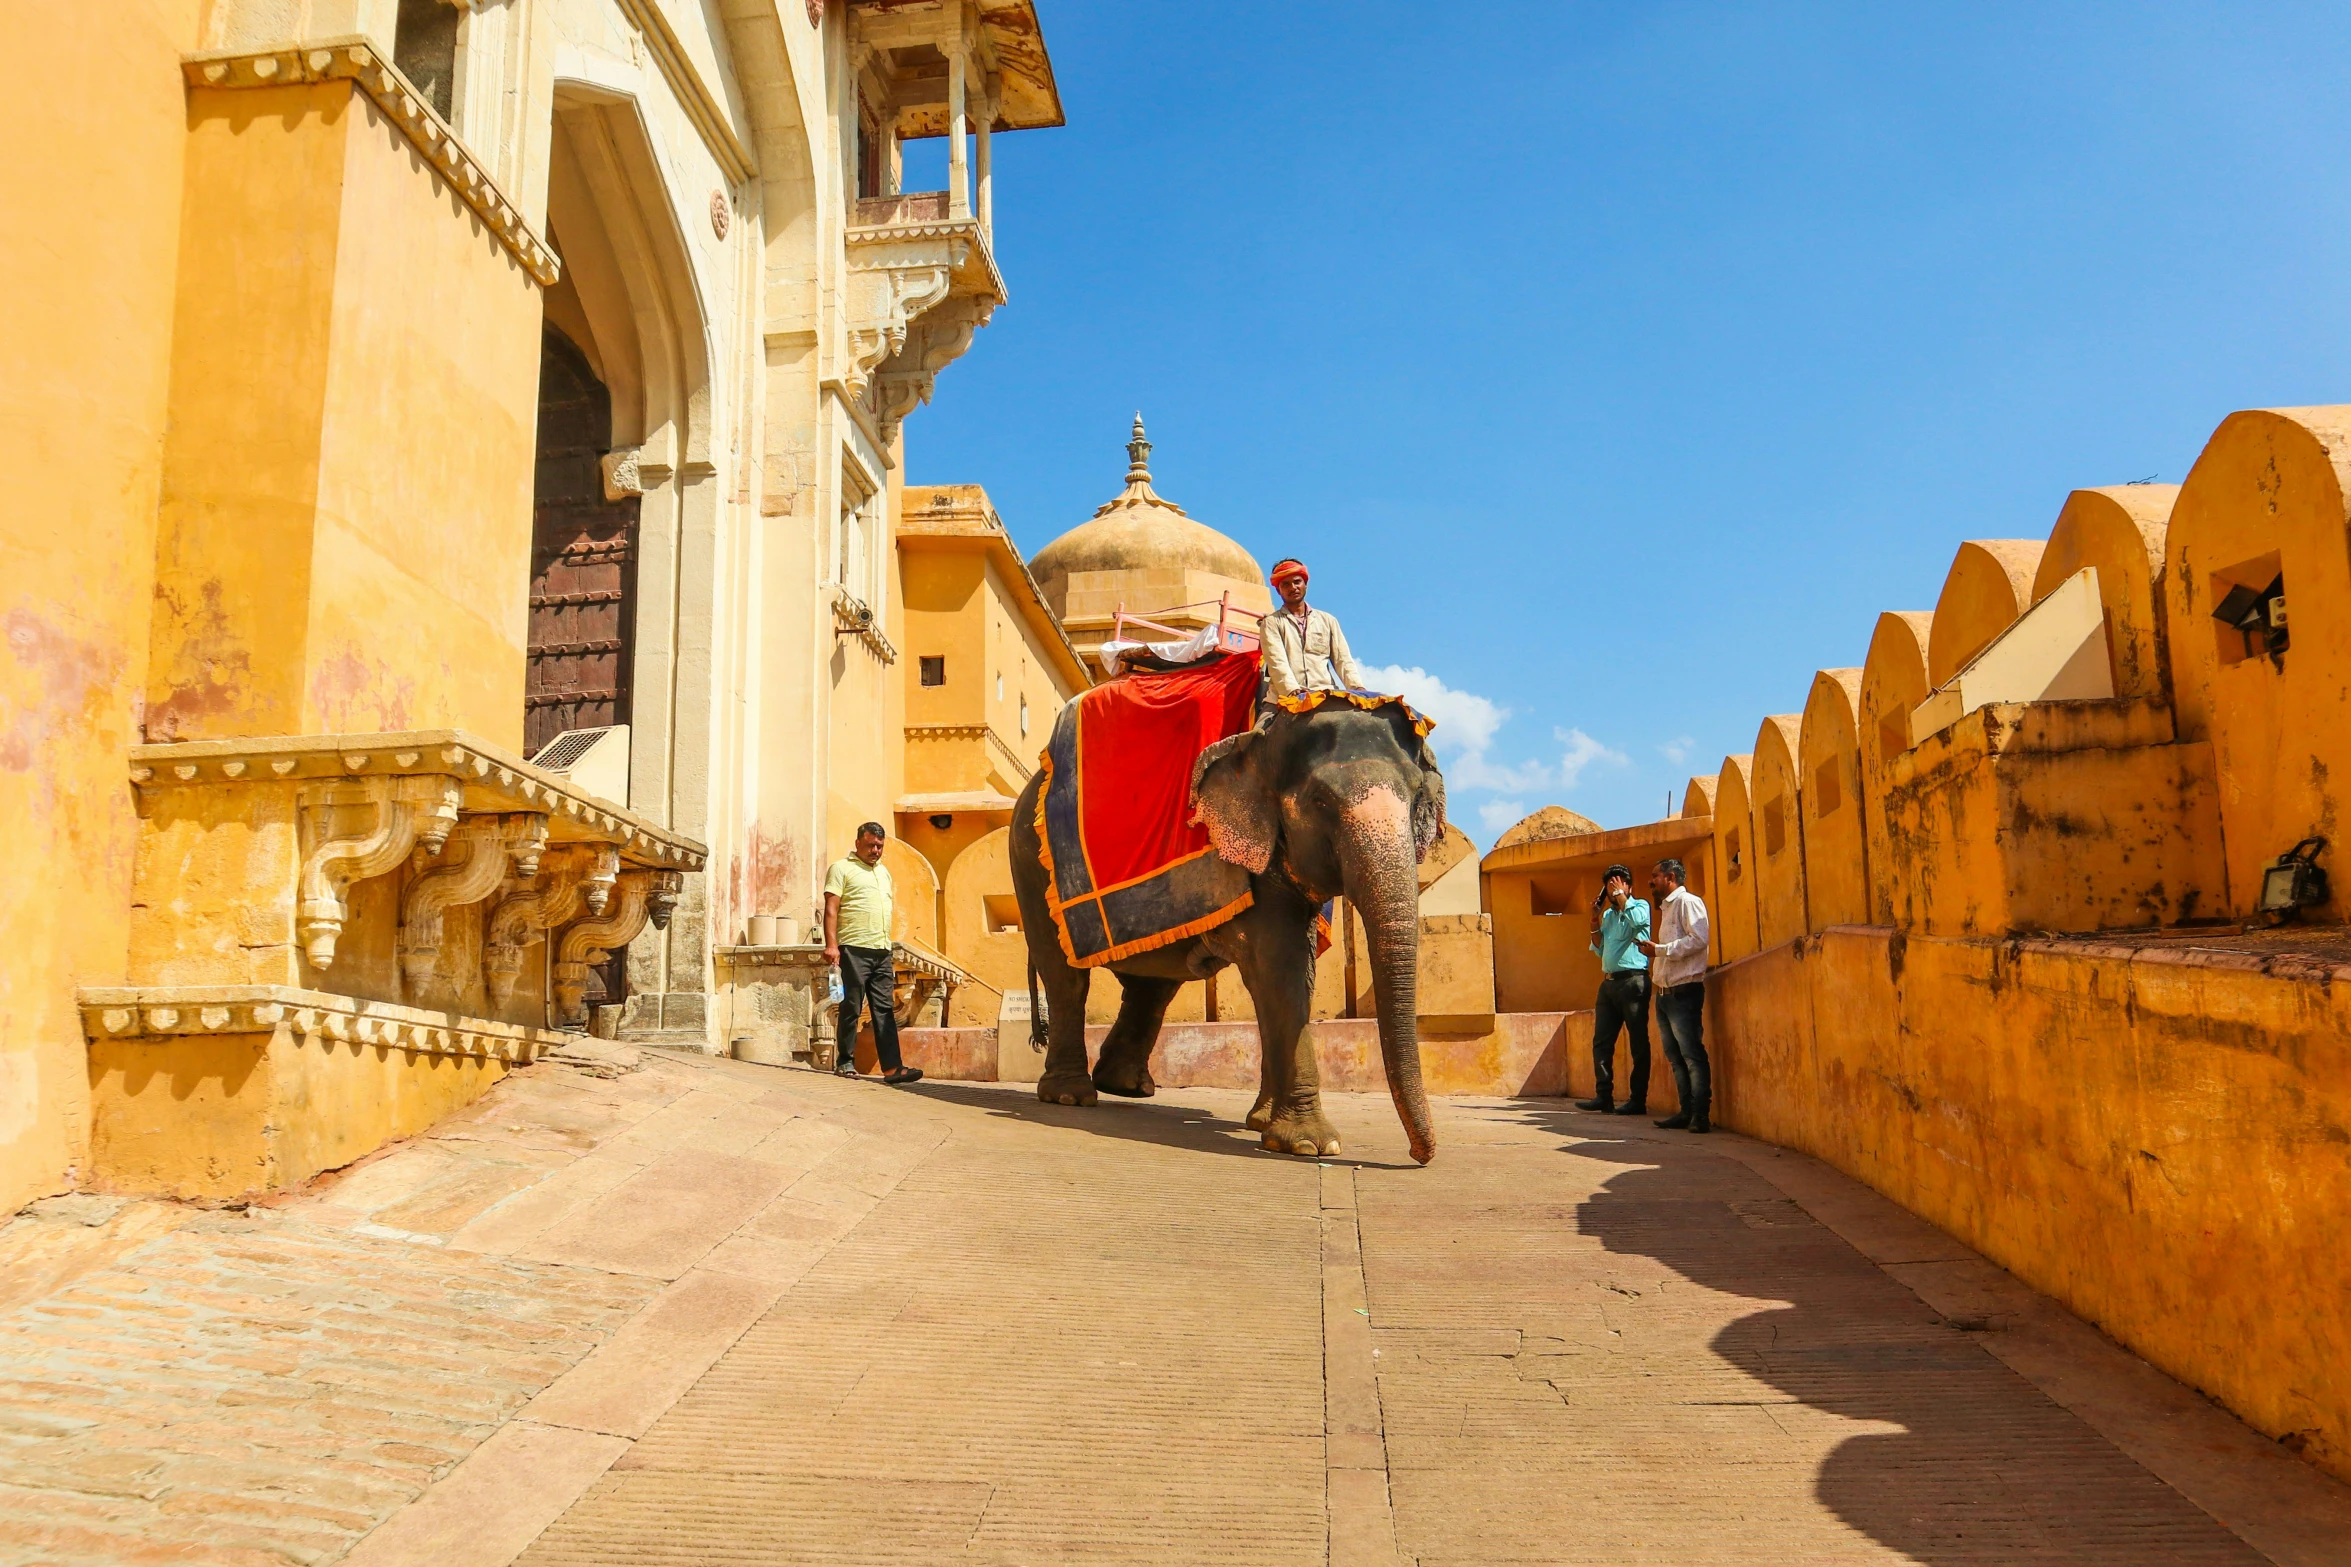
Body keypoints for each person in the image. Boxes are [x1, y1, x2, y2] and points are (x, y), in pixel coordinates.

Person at [822, 822, 924, 1086]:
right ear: (858, 843)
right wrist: (832, 945)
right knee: (851, 1007)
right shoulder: (841, 868)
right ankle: (844, 1062)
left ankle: (892, 1069)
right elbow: (831, 909)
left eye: (879, 846)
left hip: (881, 950)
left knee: (884, 1010)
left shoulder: (884, 873)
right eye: (870, 845)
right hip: (853, 949)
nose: (875, 850)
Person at [1638, 858, 1712, 1133]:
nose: (1651, 881)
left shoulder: (1688, 902)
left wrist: (1660, 950)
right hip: (1665, 993)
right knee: (1676, 1056)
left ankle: (1700, 1116)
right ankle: (1686, 1112)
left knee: (1692, 1055)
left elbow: (1699, 939)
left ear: (1670, 877)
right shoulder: (1667, 908)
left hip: (1684, 991)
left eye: (1655, 875)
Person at [1575, 863, 1652, 1115]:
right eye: (1609, 886)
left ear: (1629, 886)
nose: (1613, 889)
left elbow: (1638, 922)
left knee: (1638, 1042)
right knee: (1602, 1042)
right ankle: (1603, 1095)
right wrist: (1594, 918)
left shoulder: (1640, 906)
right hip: (1608, 983)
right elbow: (1598, 947)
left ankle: (1637, 1100)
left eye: (1618, 884)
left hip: (1633, 981)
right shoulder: (1608, 915)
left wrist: (1622, 898)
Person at [1258, 558, 1366, 703]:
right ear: (1278, 590)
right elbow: (1277, 662)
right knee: (1262, 726)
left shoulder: (1328, 620)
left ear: (1305, 584)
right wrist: (1292, 690)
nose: (1293, 587)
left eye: (1297, 582)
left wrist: (1356, 687)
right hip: (1282, 698)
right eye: (1286, 584)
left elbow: (1343, 660)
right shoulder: (1271, 623)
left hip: (1325, 695)